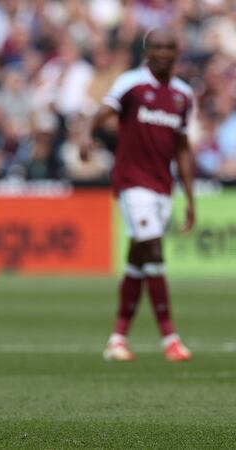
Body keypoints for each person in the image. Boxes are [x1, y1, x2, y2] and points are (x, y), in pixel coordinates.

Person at [81, 28, 195, 362]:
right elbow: (102, 112)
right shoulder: (131, 83)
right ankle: (170, 339)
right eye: (157, 47)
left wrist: (190, 197)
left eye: (169, 47)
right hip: (132, 183)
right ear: (147, 51)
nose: (163, 52)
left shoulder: (183, 95)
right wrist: (87, 137)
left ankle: (117, 339)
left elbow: (182, 147)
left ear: (177, 52)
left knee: (137, 261)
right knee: (154, 252)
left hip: (162, 187)